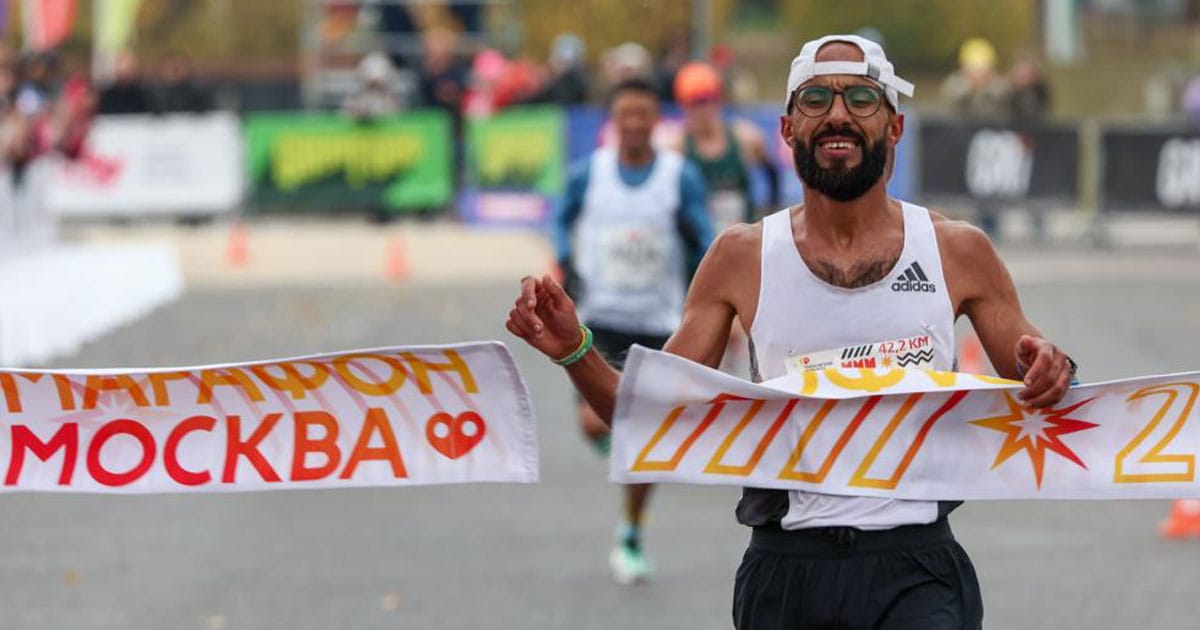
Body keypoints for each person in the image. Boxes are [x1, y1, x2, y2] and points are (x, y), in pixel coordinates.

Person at [509, 35, 1077, 628]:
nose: (837, 114)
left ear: (895, 127)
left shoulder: (958, 251)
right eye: (815, 99)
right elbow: (648, 412)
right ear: (786, 130)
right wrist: (575, 349)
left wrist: (1053, 366)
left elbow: (1039, 374)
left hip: (916, 569)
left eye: (861, 98)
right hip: (786, 571)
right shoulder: (741, 256)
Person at [552, 76, 713, 585]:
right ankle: (633, 450)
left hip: (658, 322)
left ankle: (630, 531)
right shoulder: (589, 174)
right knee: (595, 424)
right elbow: (561, 219)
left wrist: (698, 252)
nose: (637, 123)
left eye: (645, 113)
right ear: (614, 122)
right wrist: (564, 261)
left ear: (656, 119)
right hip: (600, 317)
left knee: (638, 433)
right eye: (627, 115)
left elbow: (706, 235)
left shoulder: (678, 176)